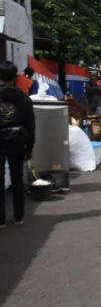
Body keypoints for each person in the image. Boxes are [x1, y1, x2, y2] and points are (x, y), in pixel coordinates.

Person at [0, 61, 35, 229]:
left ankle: (0, 220)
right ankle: (18, 217)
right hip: (17, 142)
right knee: (17, 180)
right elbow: (31, 125)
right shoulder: (24, 98)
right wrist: (30, 147)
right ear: (15, 77)